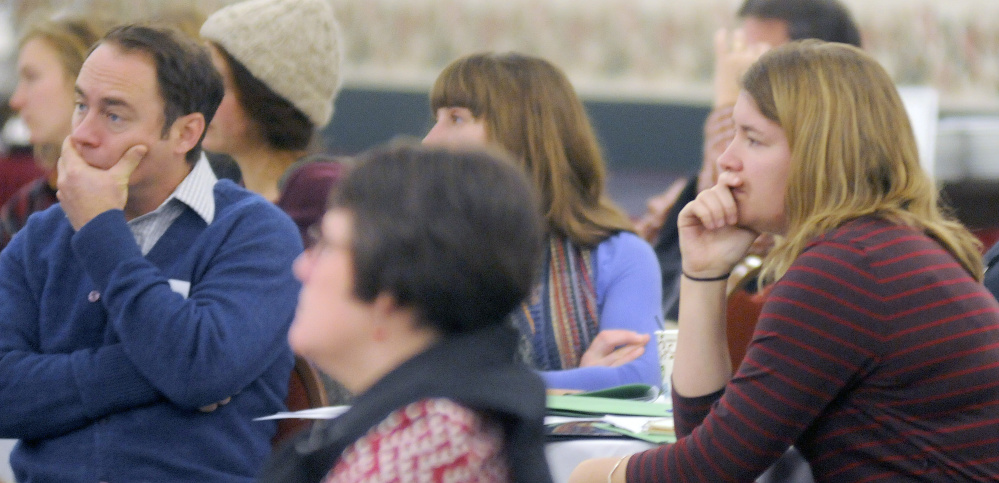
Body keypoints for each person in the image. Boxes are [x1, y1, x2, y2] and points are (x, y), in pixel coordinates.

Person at [570, 41, 999, 482]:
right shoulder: (883, 247)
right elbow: (705, 442)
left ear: (821, 154)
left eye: (753, 139)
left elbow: (709, 470)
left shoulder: (847, 268)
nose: (726, 161)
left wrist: (592, 475)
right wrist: (704, 273)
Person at [0, 24, 302, 481]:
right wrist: (156, 371)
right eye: (82, 105)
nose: (81, 134)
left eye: (114, 116)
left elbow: (197, 372)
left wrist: (101, 229)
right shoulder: (42, 235)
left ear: (185, 133)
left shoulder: (255, 233)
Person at [259, 142, 553, 483]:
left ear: (391, 295)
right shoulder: (429, 419)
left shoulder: (431, 449)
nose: (302, 266)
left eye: (325, 244)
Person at [422, 52, 663, 391]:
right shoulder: (427, 252)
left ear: (521, 136)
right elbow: (422, 385)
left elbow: (639, 379)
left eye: (456, 119)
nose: (429, 141)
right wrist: (579, 381)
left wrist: (506, 387)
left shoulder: (621, 254)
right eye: (437, 119)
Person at [638, 0, 862, 321]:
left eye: (760, 57)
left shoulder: (837, 260)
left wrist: (727, 105)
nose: (746, 70)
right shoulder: (707, 185)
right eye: (740, 52)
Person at [199, 0, 342, 203]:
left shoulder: (317, 210)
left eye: (220, 83)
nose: (202, 97)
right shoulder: (231, 202)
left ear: (264, 96)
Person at [1, 15, 109, 250]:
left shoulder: (142, 199)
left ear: (83, 79)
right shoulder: (28, 205)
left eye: (32, 77)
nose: (16, 100)